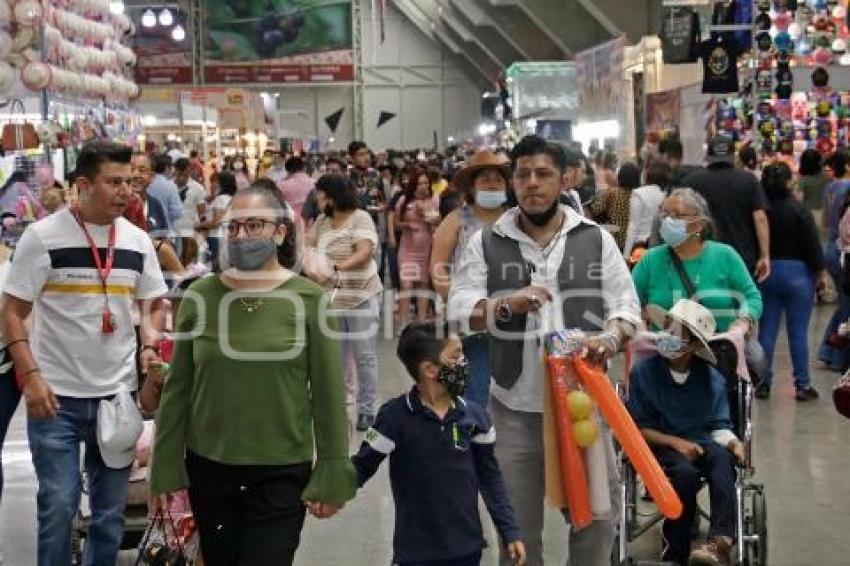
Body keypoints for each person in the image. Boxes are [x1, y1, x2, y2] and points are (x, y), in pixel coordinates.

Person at [448, 135, 641, 566]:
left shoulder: (595, 240)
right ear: (513, 182)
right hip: (513, 407)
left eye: (543, 174)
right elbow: (460, 310)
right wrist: (504, 305)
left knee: (596, 520)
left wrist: (607, 339)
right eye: (523, 175)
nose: (532, 184)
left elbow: (627, 307)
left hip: (582, 403)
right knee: (515, 534)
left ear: (564, 179)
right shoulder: (486, 242)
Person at [150, 182, 356, 566]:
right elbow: (179, 389)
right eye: (233, 227)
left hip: (280, 472)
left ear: (280, 232)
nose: (242, 236)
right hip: (209, 469)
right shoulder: (200, 296)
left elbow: (328, 395)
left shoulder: (309, 301)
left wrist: (333, 468)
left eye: (255, 226)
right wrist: (165, 466)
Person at [2, 141, 168, 565]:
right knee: (58, 505)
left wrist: (149, 345)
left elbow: (154, 303)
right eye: (114, 182)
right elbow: (13, 313)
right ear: (82, 184)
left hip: (117, 397)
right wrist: (32, 378)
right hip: (55, 398)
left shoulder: (137, 241)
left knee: (110, 516)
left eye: (129, 182)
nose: (126, 192)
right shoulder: (42, 237)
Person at [352, 322, 526, 566]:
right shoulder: (394, 417)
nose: (465, 362)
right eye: (457, 356)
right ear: (430, 369)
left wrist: (510, 530)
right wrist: (325, 493)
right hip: (415, 554)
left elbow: (490, 478)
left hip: (467, 550)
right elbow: (362, 465)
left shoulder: (475, 417)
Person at [627, 300, 743, 566]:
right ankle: (676, 553)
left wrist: (735, 443)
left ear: (693, 345)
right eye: (666, 330)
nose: (667, 338)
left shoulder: (711, 378)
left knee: (724, 462)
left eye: (677, 334)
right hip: (659, 444)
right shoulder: (644, 372)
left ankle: (720, 543)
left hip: (701, 442)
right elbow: (637, 429)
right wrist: (674, 442)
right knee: (685, 474)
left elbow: (719, 426)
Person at [430, 150, 510, 407]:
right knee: (474, 393)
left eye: (498, 179)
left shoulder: (516, 219)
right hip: (471, 325)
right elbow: (438, 269)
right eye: (485, 179)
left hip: (513, 320)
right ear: (473, 186)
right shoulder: (456, 220)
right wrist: (459, 302)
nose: (492, 184)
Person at [632, 188, 762, 341]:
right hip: (664, 354)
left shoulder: (725, 255)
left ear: (699, 224)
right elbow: (629, 300)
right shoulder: (651, 259)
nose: (668, 221)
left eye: (677, 215)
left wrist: (743, 322)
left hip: (718, 351)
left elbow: (751, 297)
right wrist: (640, 322)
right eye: (665, 214)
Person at [306, 174, 383, 432]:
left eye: (320, 194)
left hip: (362, 295)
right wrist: (311, 267)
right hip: (332, 299)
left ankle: (366, 410)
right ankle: (337, 408)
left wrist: (337, 267)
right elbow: (308, 248)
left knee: (364, 356)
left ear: (331, 196)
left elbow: (365, 252)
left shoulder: (360, 218)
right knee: (335, 358)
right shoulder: (321, 222)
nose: (317, 199)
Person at [756, 163, 826, 400]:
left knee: (766, 331)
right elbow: (812, 246)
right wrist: (819, 274)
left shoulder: (760, 211)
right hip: (799, 275)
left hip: (767, 272)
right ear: (788, 182)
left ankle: (763, 382)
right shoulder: (799, 209)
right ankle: (802, 384)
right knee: (798, 333)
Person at [683, 134, 771, 282]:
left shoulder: (692, 181)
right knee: (742, 300)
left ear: (708, 157)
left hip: (702, 255)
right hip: (742, 256)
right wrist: (765, 255)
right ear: (733, 157)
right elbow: (760, 218)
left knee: (705, 300)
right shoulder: (748, 180)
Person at [818, 151, 850, 371]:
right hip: (843, 252)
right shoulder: (847, 186)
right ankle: (837, 356)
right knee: (847, 306)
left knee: (844, 304)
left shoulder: (831, 187)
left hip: (832, 247)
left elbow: (825, 221)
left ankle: (828, 351)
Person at [396, 170, 439, 323]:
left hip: (426, 248)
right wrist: (407, 224)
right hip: (407, 248)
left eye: (426, 183)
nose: (423, 186)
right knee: (406, 284)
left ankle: (421, 321)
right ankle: (402, 322)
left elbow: (437, 222)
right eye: (420, 183)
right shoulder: (404, 201)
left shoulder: (434, 199)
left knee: (424, 284)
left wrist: (426, 213)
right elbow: (396, 223)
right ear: (414, 185)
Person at [588, 162, 641, 251]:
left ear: (620, 176)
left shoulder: (613, 193)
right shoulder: (639, 195)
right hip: (634, 240)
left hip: (615, 238)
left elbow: (595, 209)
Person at [623, 161, 669, 259]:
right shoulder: (666, 194)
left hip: (640, 246)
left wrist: (626, 255)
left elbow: (633, 225)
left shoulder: (638, 194)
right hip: (660, 244)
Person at [196, 171, 237, 271]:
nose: (211, 185)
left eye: (213, 182)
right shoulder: (230, 198)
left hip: (216, 238)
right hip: (224, 237)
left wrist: (198, 226)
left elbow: (216, 222)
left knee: (216, 268)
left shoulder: (221, 199)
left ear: (220, 184)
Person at [130, 153, 172, 238]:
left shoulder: (155, 204)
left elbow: (163, 238)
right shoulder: (117, 205)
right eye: (131, 169)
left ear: (152, 177)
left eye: (142, 170)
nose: (135, 175)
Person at [173, 157, 207, 256]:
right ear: (175, 171)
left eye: (185, 175)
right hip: (173, 233)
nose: (181, 178)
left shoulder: (198, 189)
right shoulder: (170, 187)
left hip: (190, 233)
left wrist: (202, 238)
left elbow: (202, 215)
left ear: (190, 171)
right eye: (179, 174)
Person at [148, 153, 184, 227]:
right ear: (166, 167)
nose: (172, 171)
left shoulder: (147, 181)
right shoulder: (170, 185)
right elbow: (177, 213)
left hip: (148, 228)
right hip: (165, 229)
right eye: (171, 167)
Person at [797, 148, 831, 221]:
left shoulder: (802, 181)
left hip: (809, 213)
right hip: (825, 213)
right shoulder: (827, 177)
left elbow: (799, 200)